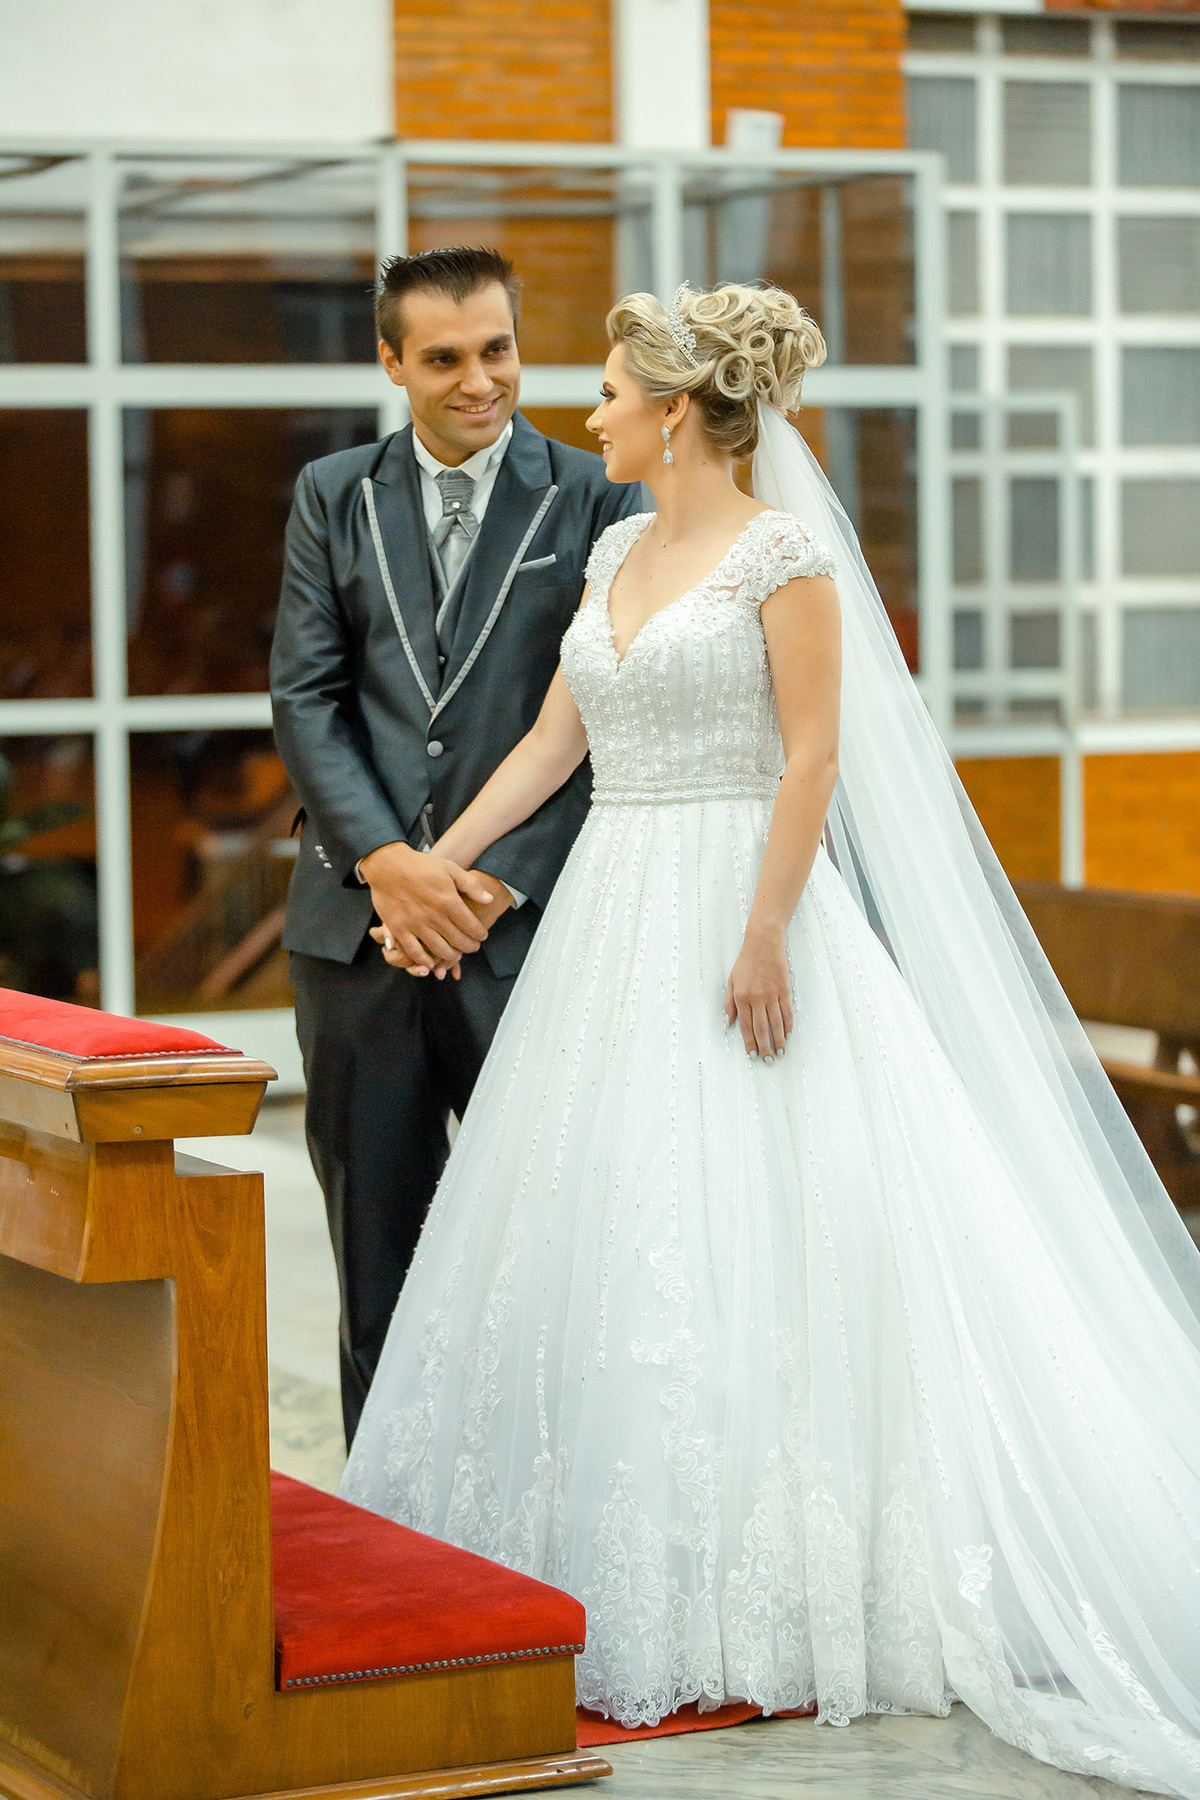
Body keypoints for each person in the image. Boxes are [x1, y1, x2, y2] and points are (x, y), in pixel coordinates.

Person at [341, 281, 1200, 1797]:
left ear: (676, 411)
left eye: (613, 390)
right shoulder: (614, 549)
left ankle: (793, 1586)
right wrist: (422, 866)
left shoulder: (783, 555)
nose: (590, 411)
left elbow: (813, 757)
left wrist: (764, 932)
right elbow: (554, 741)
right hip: (613, 906)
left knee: (767, 1226)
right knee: (613, 1224)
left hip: (741, 902)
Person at [270, 246, 639, 1442]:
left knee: (547, 1255)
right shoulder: (334, 493)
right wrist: (389, 867)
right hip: (356, 935)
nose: (480, 381)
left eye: (498, 350)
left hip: (524, 938)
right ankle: (384, 1514)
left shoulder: (597, 497)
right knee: (374, 1259)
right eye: (444, 359)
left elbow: (608, 720)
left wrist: (486, 886)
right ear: (391, 363)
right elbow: (306, 699)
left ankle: (531, 1510)